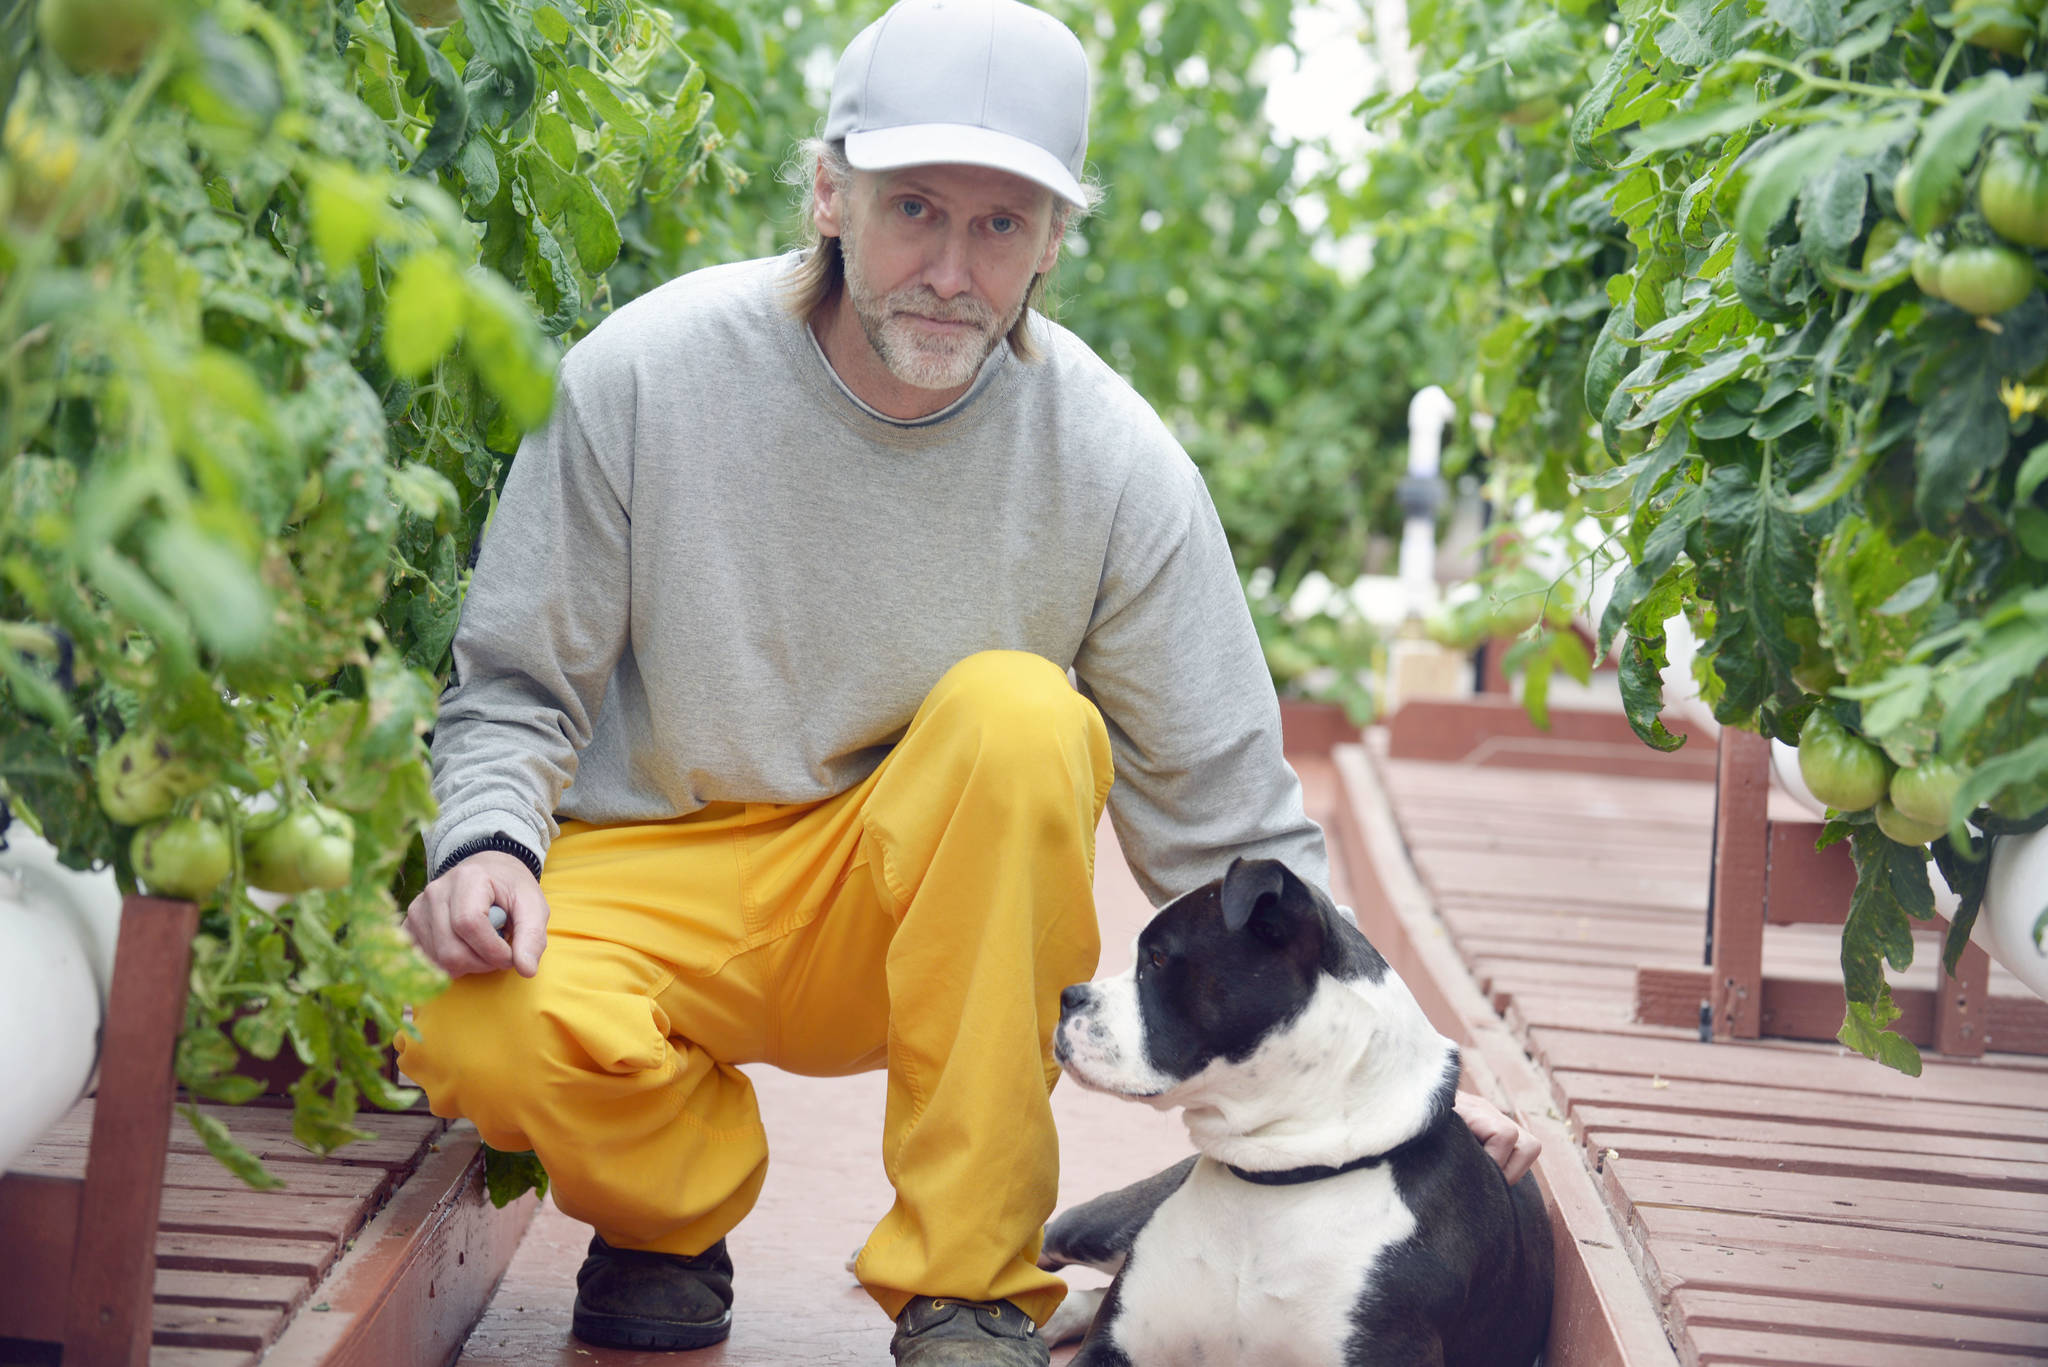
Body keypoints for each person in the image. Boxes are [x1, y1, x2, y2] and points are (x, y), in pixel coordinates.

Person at [396, 0, 1539, 1361]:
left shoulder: (1114, 466)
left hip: (911, 912)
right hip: (654, 870)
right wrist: (482, 845)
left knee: (1019, 718)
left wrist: (1407, 1066)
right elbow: (517, 683)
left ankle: (970, 1283)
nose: (949, 267)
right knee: (465, 1026)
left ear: (1056, 239)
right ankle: (669, 1211)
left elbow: (1232, 821)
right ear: (829, 193)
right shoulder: (645, 377)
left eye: (1001, 226)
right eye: (914, 208)